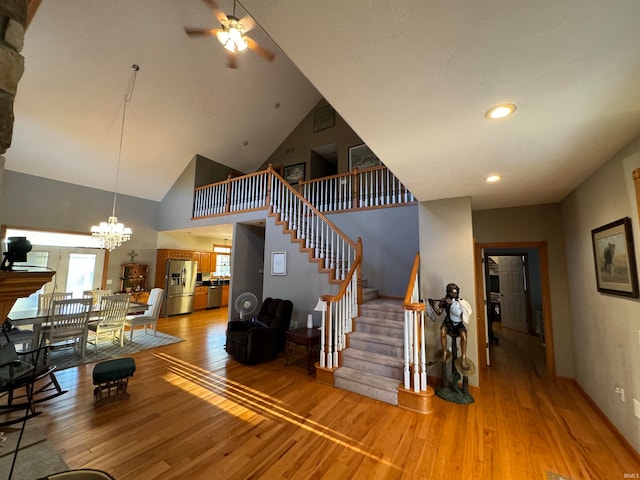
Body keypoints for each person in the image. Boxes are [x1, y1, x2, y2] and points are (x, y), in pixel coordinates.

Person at [429, 283, 472, 369]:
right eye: (452, 293)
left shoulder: (460, 301)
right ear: (448, 293)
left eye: (455, 293)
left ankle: (463, 358)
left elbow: (464, 311)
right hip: (448, 321)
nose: (454, 295)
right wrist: (433, 306)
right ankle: (445, 352)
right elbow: (439, 313)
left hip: (458, 322)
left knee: (464, 336)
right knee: (442, 332)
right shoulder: (444, 301)